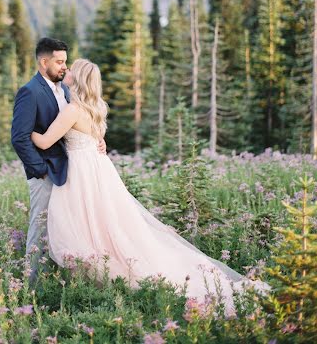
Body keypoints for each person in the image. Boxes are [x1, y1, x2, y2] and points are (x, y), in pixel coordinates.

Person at [31, 58, 269, 313]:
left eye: (71, 69)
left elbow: (44, 142)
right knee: (106, 223)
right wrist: (99, 143)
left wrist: (27, 128)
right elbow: (95, 138)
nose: (66, 71)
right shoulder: (97, 107)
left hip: (81, 172)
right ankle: (102, 272)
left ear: (77, 79)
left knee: (83, 224)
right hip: (98, 170)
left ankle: (96, 279)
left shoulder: (73, 110)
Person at [11, 38, 106, 281]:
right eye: (60, 61)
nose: (64, 67)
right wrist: (39, 170)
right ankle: (30, 285)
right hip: (46, 172)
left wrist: (96, 140)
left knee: (65, 227)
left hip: (71, 172)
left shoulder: (64, 90)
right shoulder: (29, 92)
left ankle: (61, 277)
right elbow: (20, 138)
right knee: (40, 226)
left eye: (66, 62)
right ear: (44, 62)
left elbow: (71, 128)